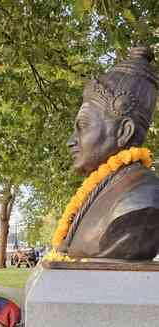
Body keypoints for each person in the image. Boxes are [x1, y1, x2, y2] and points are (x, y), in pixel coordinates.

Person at [52, 46, 159, 260]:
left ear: (123, 131)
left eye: (83, 125)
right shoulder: (105, 185)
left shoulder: (142, 199)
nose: (70, 141)